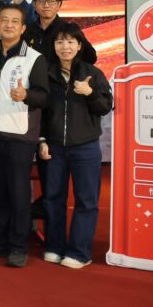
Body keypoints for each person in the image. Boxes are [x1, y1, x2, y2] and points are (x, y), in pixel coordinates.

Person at [0, 4, 49, 268]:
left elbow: (44, 96)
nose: (8, 25)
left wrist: (26, 95)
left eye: (14, 21)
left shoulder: (34, 58)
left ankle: (18, 246)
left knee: (18, 194)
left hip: (19, 135)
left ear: (23, 27)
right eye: (3, 20)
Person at [41, 22, 112, 269]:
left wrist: (89, 92)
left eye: (71, 41)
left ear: (80, 45)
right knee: (53, 198)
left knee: (86, 200)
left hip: (85, 147)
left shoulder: (93, 73)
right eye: (60, 41)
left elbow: (105, 106)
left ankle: (80, 252)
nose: (65, 46)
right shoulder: (47, 74)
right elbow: (40, 112)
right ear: (54, 46)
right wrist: (42, 140)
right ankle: (54, 246)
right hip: (54, 148)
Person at [25, 0, 97, 65]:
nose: (46, 5)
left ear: (59, 5)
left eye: (51, 1)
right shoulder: (26, 30)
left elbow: (91, 58)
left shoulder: (69, 30)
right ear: (34, 5)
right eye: (41, 1)